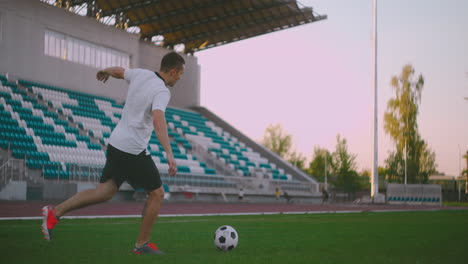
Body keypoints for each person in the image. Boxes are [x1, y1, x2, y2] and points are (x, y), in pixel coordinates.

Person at [41, 51, 185, 255]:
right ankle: (142, 244)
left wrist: (106, 71)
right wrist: (169, 154)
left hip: (116, 143)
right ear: (172, 71)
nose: (180, 78)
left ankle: (54, 213)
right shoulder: (162, 91)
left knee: (105, 191)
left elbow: (120, 72)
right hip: (132, 149)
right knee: (157, 194)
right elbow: (158, 120)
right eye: (180, 74)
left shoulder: (142, 74)